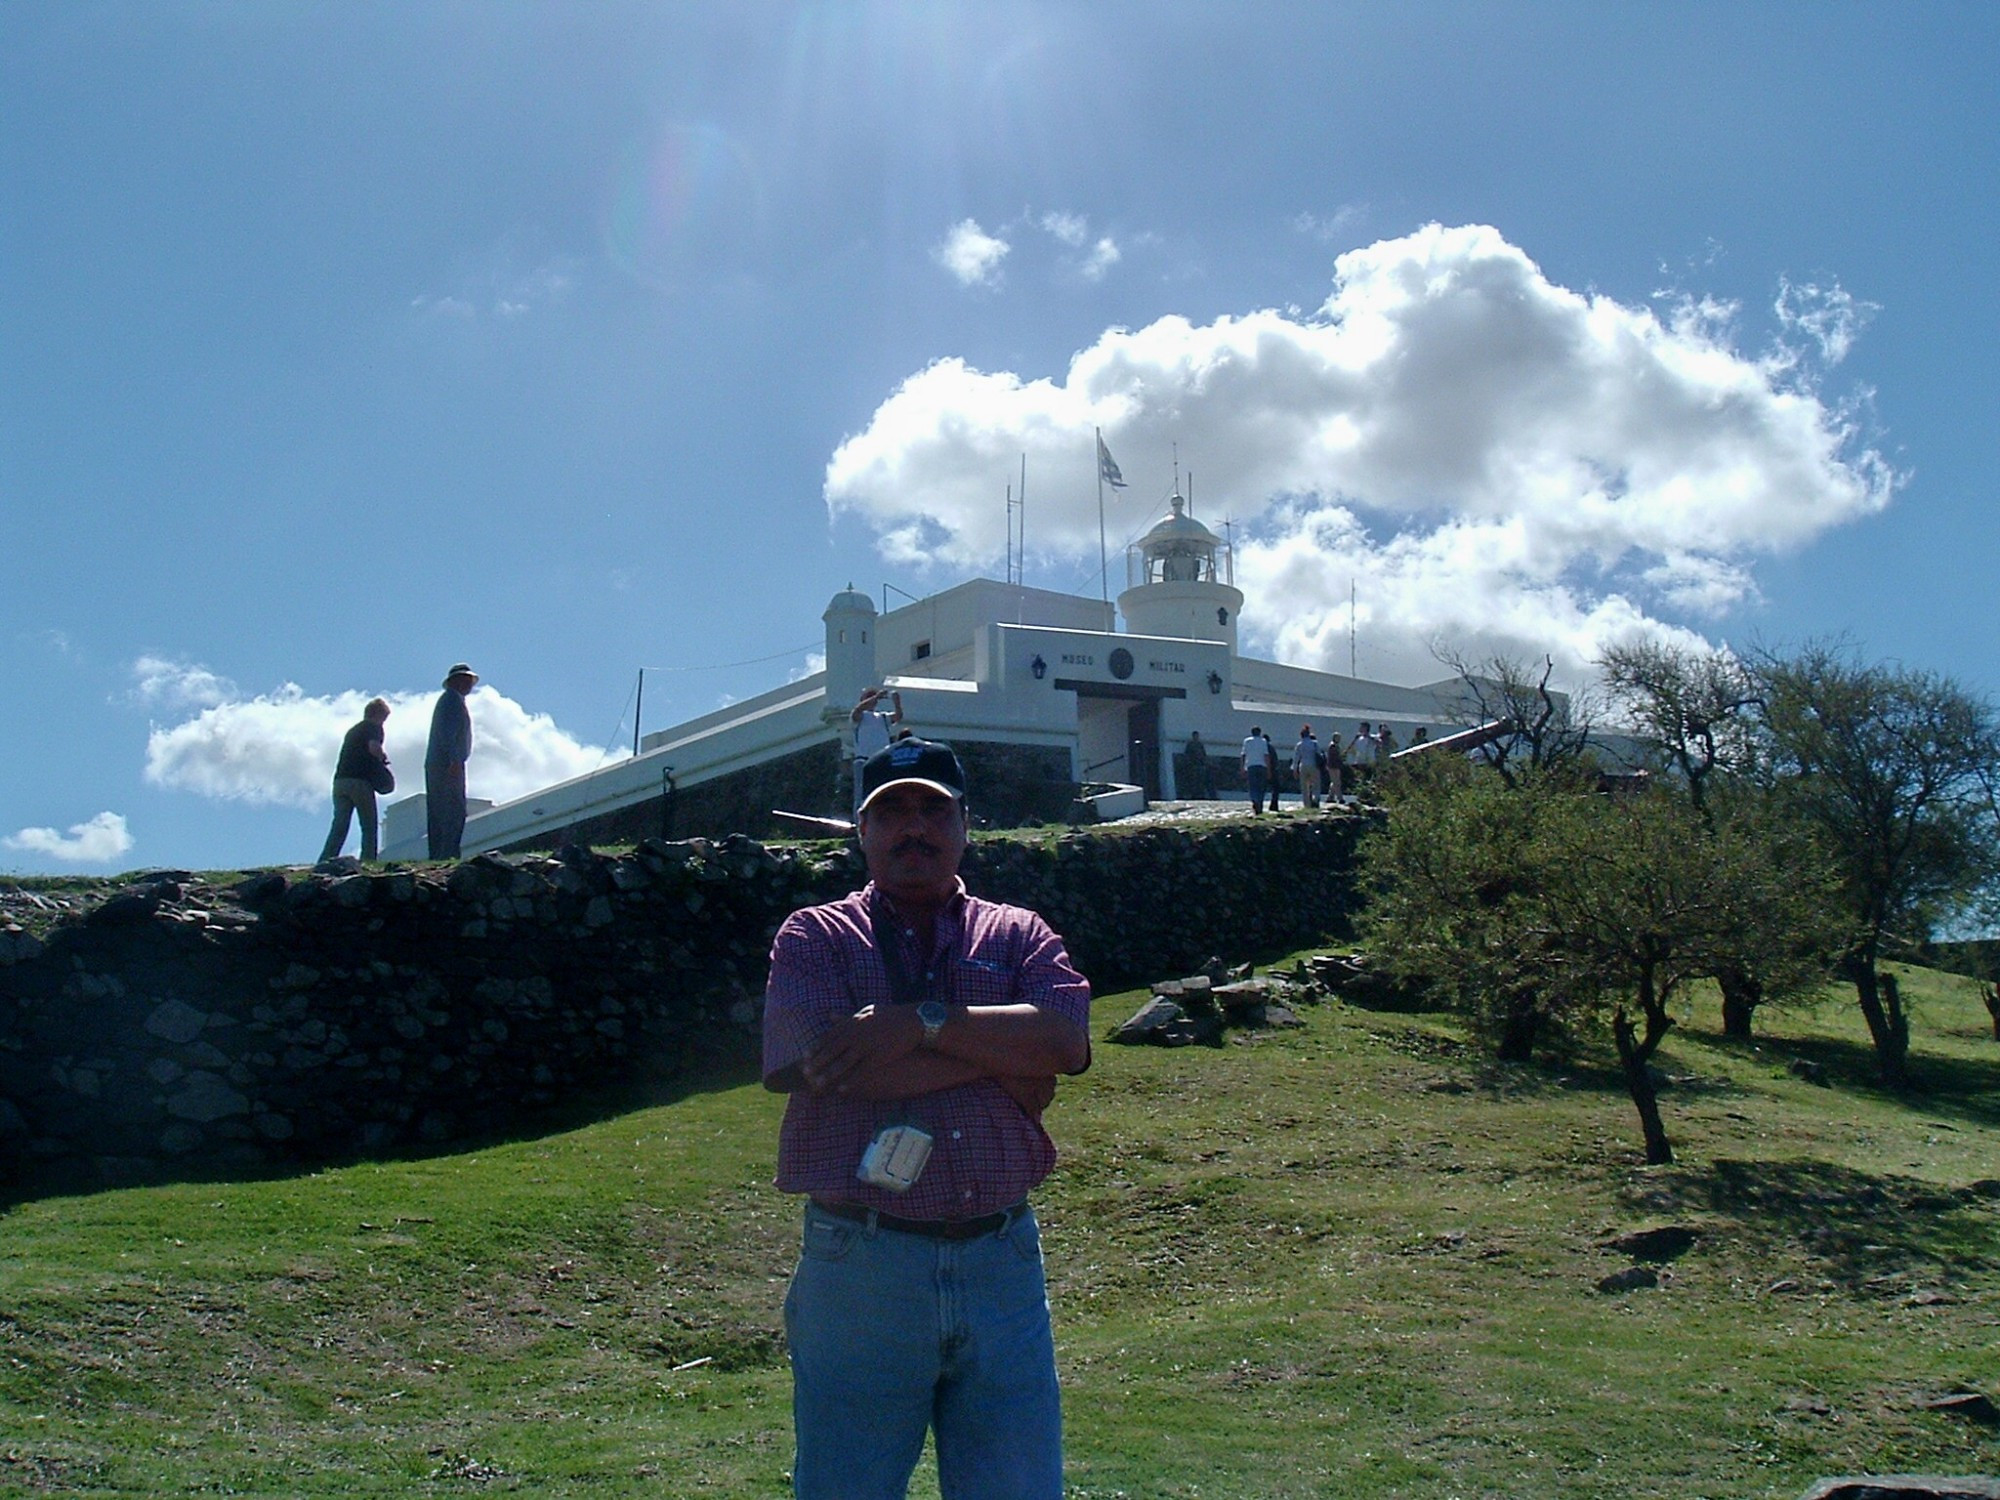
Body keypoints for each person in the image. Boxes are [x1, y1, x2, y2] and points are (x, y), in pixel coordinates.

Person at [763, 738, 1092, 1499]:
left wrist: (918, 1024)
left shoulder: (1019, 933)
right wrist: (1004, 1060)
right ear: (863, 831)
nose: (914, 827)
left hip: (1001, 1262)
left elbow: (1065, 1041)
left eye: (932, 808)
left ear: (965, 823)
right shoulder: (814, 937)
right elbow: (818, 1066)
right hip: (862, 1269)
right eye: (893, 811)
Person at [319, 698, 391, 862]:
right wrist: (383, 758)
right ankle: (368, 860)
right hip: (359, 781)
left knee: (339, 825)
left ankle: (326, 859)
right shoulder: (374, 727)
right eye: (384, 718)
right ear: (379, 715)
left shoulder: (353, 730)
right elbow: (374, 747)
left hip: (340, 781)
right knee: (368, 824)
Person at [426, 663, 478, 860]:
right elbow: (447, 733)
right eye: (465, 680)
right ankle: (447, 855)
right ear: (455, 681)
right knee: (452, 812)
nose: (469, 684)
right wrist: (455, 760)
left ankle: (440, 855)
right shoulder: (451, 701)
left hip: (442, 762)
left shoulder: (450, 700)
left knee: (441, 811)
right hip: (447, 763)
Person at [850, 686, 904, 813]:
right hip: (864, 760)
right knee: (861, 796)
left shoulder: (882, 717)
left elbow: (898, 717)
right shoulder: (859, 716)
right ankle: (860, 824)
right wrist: (875, 697)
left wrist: (897, 703)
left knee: (885, 792)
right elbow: (857, 710)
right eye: (868, 697)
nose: (872, 700)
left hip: (882, 760)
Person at [1241, 725, 1273, 813]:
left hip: (1251, 766)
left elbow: (1243, 755)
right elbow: (1266, 756)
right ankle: (1260, 802)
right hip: (1262, 766)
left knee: (1252, 786)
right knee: (1261, 787)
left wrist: (1243, 767)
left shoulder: (1247, 741)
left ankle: (1255, 800)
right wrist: (1269, 770)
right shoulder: (1263, 741)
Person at [1292, 724, 1322, 809]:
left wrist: (1295, 770)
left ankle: (1306, 804)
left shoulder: (1299, 745)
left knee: (1304, 786)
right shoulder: (1314, 744)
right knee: (1316, 784)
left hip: (1303, 765)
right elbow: (1319, 754)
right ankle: (1316, 800)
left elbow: (1296, 758)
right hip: (1314, 765)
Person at [1346, 721, 1380, 789]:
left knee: (1369, 778)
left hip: (1369, 761)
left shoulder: (1372, 737)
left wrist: (1369, 736)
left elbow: (1378, 743)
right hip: (1359, 761)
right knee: (1359, 778)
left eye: (1362, 727)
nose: (1360, 728)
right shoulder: (1358, 738)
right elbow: (1351, 747)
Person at [1183, 730, 1211, 799]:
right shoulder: (1190, 745)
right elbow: (1187, 755)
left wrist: (1204, 763)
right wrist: (1189, 763)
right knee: (1193, 781)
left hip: (1200, 765)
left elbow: (1204, 755)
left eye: (1197, 736)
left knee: (1201, 781)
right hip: (1193, 766)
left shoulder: (1200, 745)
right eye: (1195, 736)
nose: (1196, 737)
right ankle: (1194, 795)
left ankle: (1201, 794)